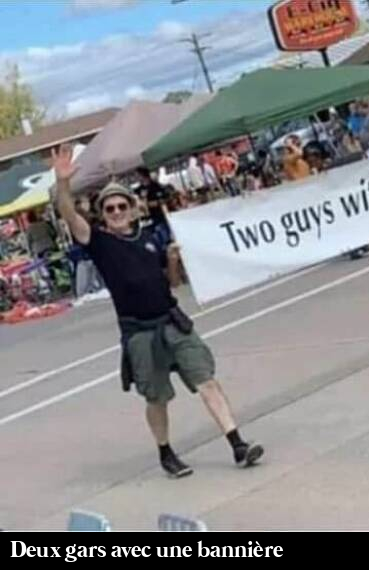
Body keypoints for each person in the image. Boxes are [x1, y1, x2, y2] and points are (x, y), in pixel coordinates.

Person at [52, 145, 264, 478]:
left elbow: (171, 283)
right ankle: (166, 452)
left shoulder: (150, 238)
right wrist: (63, 183)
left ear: (133, 209)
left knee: (206, 380)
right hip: (140, 332)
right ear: (103, 214)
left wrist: (173, 262)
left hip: (172, 322)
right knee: (157, 398)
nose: (117, 212)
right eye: (110, 208)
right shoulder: (99, 242)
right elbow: (68, 213)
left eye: (122, 206)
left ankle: (238, 444)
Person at [135, 167, 172, 245]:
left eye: (137, 175)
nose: (136, 177)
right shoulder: (138, 190)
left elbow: (167, 198)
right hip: (147, 221)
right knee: (154, 242)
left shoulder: (157, 186)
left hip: (160, 217)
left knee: (166, 240)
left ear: (143, 175)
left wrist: (157, 202)